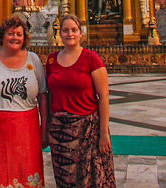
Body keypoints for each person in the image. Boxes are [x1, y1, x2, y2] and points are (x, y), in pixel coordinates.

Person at [0, 15, 47, 188]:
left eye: (19, 34)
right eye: (11, 33)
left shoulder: (33, 60)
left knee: (26, 174)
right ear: (2, 36)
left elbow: (43, 96)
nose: (15, 38)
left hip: (26, 129)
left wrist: (44, 129)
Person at [45, 13, 115, 186]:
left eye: (74, 30)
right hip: (59, 130)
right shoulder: (52, 60)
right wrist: (46, 127)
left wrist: (104, 132)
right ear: (59, 33)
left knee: (91, 179)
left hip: (87, 129)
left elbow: (103, 96)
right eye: (66, 30)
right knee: (65, 178)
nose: (70, 34)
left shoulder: (91, 59)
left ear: (80, 33)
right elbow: (48, 94)